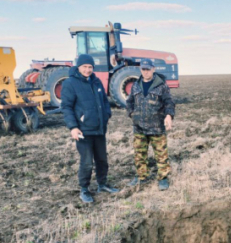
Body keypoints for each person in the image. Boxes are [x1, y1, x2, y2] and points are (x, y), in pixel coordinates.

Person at [61, 54, 119, 203]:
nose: (87, 70)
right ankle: (84, 189)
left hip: (99, 129)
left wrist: (106, 115)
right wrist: (73, 127)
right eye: (85, 67)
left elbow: (104, 101)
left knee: (102, 159)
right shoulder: (70, 83)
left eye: (90, 67)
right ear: (78, 67)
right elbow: (66, 107)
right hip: (83, 131)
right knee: (86, 161)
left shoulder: (96, 81)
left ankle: (102, 184)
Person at [126, 58, 175, 190]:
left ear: (153, 69)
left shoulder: (162, 86)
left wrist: (169, 116)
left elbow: (169, 103)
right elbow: (129, 102)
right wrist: (132, 114)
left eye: (148, 69)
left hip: (156, 126)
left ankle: (163, 178)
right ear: (140, 69)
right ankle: (141, 176)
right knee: (139, 154)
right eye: (143, 69)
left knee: (161, 154)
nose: (146, 72)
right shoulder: (136, 85)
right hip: (139, 127)